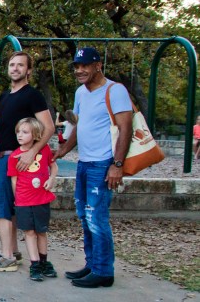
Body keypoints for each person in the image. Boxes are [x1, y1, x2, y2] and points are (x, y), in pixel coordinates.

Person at [55, 47, 133, 288]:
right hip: (84, 163)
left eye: (85, 65)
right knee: (85, 216)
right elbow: (79, 126)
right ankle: (92, 264)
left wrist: (117, 165)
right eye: (77, 66)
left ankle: (103, 271)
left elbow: (125, 128)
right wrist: (63, 151)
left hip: (102, 163)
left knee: (97, 218)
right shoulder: (81, 92)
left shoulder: (115, 90)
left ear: (98, 65)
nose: (80, 70)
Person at [0, 51, 54, 272]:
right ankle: (14, 250)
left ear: (28, 70)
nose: (15, 68)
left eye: (20, 65)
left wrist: (31, 153)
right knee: (10, 206)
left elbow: (49, 128)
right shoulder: (5, 96)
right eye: (12, 65)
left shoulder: (32, 95)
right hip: (2, 156)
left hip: (16, 158)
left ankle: (7, 257)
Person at [9, 117, 59, 281]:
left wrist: (52, 179)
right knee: (29, 232)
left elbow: (53, 165)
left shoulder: (43, 150)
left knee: (41, 231)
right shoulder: (14, 157)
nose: (20, 135)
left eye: (25, 132)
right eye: (18, 132)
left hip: (41, 199)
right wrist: (17, 200)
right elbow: (14, 180)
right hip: (24, 201)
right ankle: (35, 264)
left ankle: (44, 262)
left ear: (35, 134)